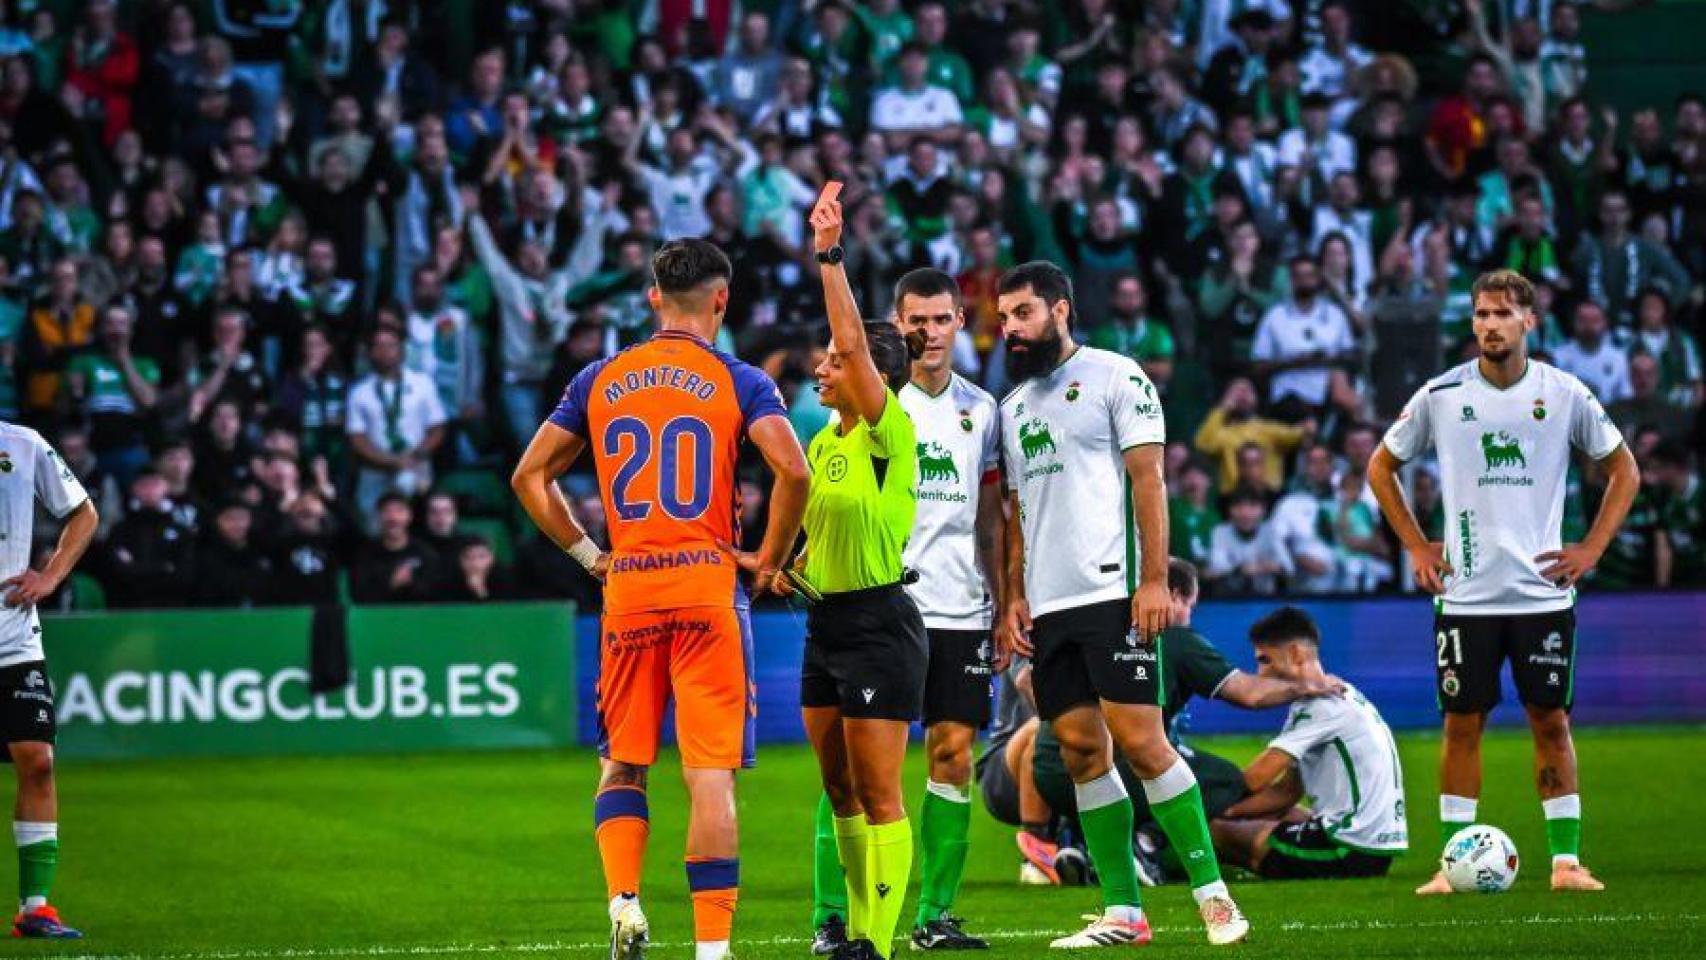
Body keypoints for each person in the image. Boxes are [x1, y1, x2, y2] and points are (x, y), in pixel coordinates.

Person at [512, 238, 809, 960]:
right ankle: (712, 951)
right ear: (721, 300)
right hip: (708, 587)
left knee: (622, 761)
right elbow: (792, 472)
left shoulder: (599, 378)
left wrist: (590, 556)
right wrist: (771, 558)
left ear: (651, 297)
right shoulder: (738, 379)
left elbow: (528, 478)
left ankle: (625, 904)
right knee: (709, 776)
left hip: (631, 588)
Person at [996, 259, 1248, 947]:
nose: (1012, 328)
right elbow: (1016, 515)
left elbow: (1150, 480)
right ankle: (1124, 913)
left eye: (1023, 313)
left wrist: (1155, 580)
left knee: (1142, 741)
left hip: (1114, 593)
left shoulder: (1116, 376)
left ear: (1060, 310)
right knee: (1080, 751)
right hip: (1050, 609)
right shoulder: (1013, 409)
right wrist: (1015, 595)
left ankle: (1214, 897)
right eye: (1004, 318)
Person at [1369, 269, 1640, 895]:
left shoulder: (1564, 392)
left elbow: (1623, 469)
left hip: (1542, 592)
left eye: (1501, 314)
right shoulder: (1441, 395)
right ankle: (1450, 863)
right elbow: (1381, 466)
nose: (1489, 324)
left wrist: (1593, 547)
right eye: (1481, 314)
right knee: (1461, 724)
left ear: (1528, 321)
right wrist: (1415, 544)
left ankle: (1566, 864)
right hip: (1465, 596)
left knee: (1551, 722)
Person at [761, 183, 927, 960]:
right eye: (824, 360)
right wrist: (775, 566)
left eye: (835, 361)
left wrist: (829, 254)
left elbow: (857, 346)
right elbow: (804, 551)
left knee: (881, 792)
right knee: (838, 793)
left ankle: (879, 943)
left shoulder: (889, 434)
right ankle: (857, 929)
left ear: (873, 379)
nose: (823, 368)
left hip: (880, 628)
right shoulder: (825, 444)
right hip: (827, 626)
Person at [1028, 560, 1342, 880]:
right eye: (1190, 606)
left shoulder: (1102, 628)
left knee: (1146, 758)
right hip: (1113, 765)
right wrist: (1308, 685)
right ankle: (1148, 846)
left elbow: (1030, 698)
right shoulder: (1175, 639)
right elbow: (1250, 694)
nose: (1190, 615)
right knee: (1220, 779)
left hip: (1051, 772)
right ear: (1174, 597)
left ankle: (1072, 844)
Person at [890, 268, 1004, 951]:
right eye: (916, 320)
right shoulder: (877, 403)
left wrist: (1005, 598)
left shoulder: (985, 411)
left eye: (940, 319)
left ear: (960, 321)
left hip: (962, 608)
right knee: (858, 764)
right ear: (898, 323)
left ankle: (934, 915)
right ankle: (833, 916)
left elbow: (992, 518)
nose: (928, 332)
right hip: (888, 607)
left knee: (954, 755)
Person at [1209, 606, 1408, 879]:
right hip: (1372, 846)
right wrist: (1232, 810)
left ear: (1295, 654)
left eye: (1265, 660)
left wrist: (1210, 804)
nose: (1260, 673)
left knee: (1213, 830)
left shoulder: (1320, 707)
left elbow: (1255, 779)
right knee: (1276, 813)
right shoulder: (1344, 694)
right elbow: (1286, 793)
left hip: (1347, 850)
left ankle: (1161, 860)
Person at [0, 418, 98, 938]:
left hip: (13, 633)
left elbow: (83, 512)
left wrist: (52, 574)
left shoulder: (23, 443)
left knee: (37, 761)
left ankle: (35, 908)